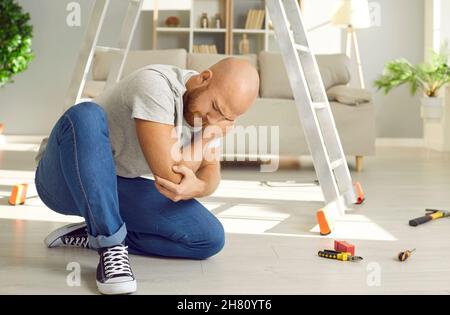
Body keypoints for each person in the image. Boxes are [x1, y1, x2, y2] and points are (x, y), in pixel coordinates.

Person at [34, 58, 260, 295]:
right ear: (204, 78)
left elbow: (211, 170)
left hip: (114, 184)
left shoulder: (214, 112)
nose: (213, 119)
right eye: (215, 108)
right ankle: (111, 245)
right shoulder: (156, 85)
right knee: (85, 114)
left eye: (226, 118)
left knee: (208, 238)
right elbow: (173, 177)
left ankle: (95, 230)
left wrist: (200, 187)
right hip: (62, 179)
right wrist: (206, 136)